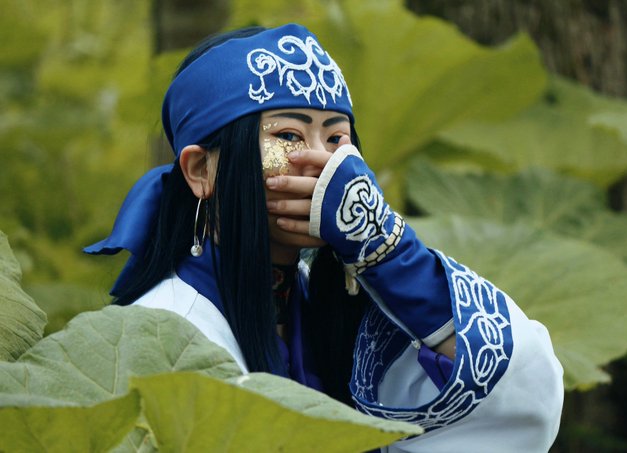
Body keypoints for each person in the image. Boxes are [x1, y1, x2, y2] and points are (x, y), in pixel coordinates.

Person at [85, 23, 563, 451]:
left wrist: (388, 252)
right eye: (289, 137)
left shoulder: (334, 314)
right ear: (200, 170)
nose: (324, 164)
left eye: (336, 140)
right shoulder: (160, 333)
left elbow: (525, 395)